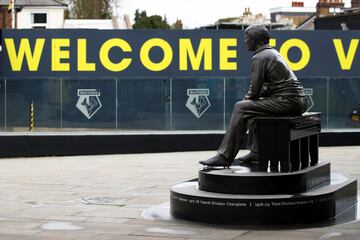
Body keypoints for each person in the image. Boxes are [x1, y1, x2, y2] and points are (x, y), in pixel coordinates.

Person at [199, 24, 307, 167]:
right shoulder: (272, 53)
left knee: (241, 107)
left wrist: (244, 103)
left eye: (247, 38)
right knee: (252, 109)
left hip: (287, 101)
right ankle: (256, 152)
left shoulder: (260, 57)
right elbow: (267, 88)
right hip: (297, 101)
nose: (245, 42)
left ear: (255, 39)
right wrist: (250, 102)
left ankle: (225, 156)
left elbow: (254, 91)